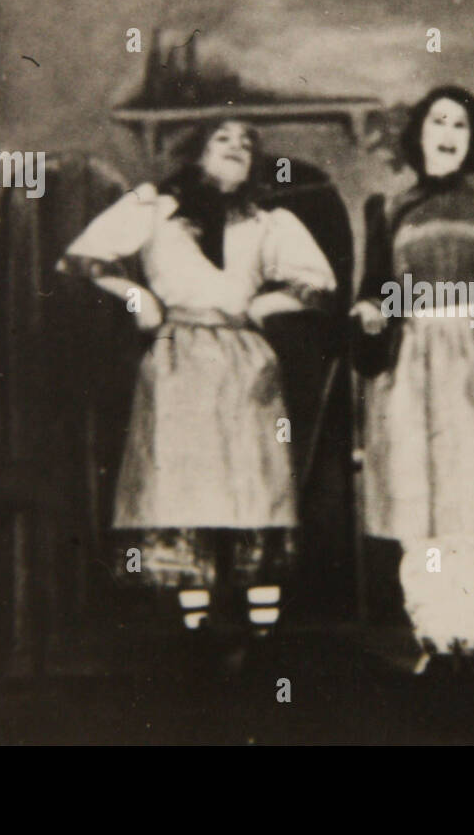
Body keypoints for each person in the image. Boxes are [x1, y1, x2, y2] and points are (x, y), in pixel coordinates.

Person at [57, 120, 337, 647]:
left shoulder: (265, 219)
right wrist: (135, 296)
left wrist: (264, 304)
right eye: (222, 140)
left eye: (247, 142)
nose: (237, 149)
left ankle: (262, 637)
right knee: (184, 488)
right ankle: (195, 634)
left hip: (244, 361)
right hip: (177, 359)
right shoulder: (155, 208)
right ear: (197, 152)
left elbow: (317, 282)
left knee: (254, 489)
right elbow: (83, 258)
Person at [351, 86, 474, 674]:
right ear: (420, 134)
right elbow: (375, 287)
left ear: (472, 137)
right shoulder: (386, 207)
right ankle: (435, 636)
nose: (449, 131)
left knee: (473, 499)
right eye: (439, 120)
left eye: (461, 123)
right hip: (411, 362)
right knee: (419, 501)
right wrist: (371, 314)